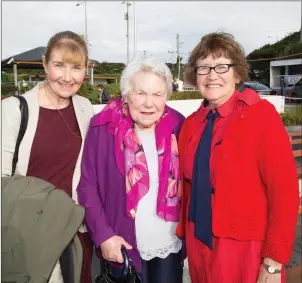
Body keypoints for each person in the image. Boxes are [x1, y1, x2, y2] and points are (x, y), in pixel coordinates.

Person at [175, 32, 300, 283]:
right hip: (198, 242)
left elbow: (284, 193)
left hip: (245, 247)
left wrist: (273, 262)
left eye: (222, 66)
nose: (212, 75)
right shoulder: (190, 124)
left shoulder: (260, 116)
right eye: (204, 67)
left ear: (237, 73)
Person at [77, 57, 185, 283]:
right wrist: (104, 236)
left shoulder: (179, 124)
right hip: (122, 244)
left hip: (170, 242)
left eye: (158, 94)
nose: (149, 103)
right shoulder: (103, 127)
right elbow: (87, 187)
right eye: (140, 93)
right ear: (126, 94)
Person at [2, 30, 95, 283]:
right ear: (44, 64)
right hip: (30, 233)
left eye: (76, 67)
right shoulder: (13, 110)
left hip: (75, 230)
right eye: (59, 66)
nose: (67, 77)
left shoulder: (85, 107)